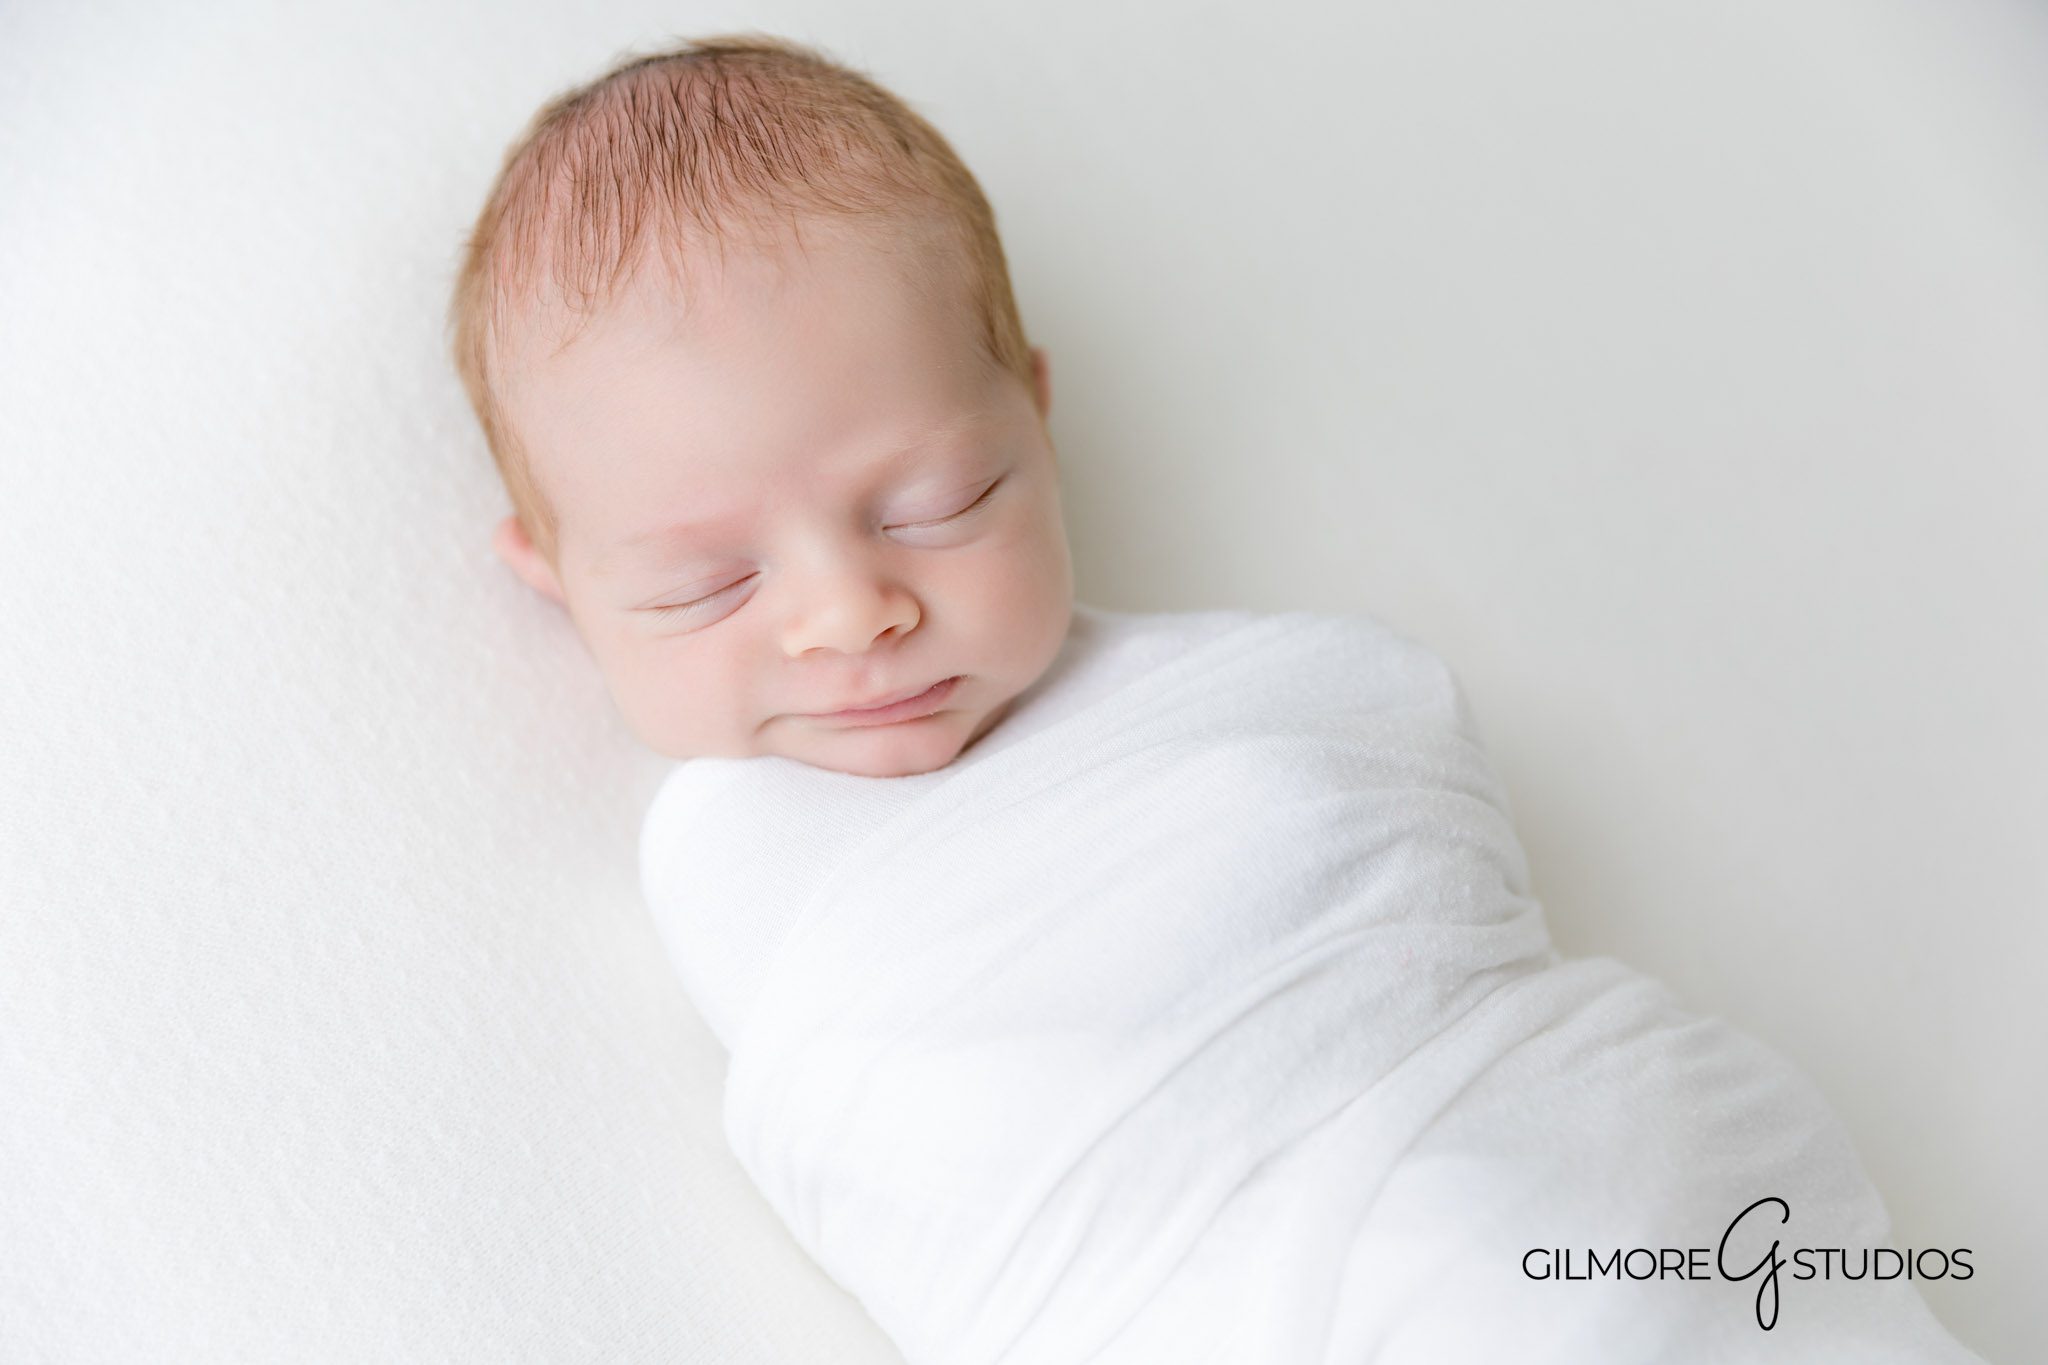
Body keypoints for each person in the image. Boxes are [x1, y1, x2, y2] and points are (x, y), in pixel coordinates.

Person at [451, 33, 1074, 779]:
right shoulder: (741, 859)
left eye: (939, 507)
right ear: (557, 583)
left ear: (1037, 424)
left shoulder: (1220, 681)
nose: (850, 617)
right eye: (702, 586)